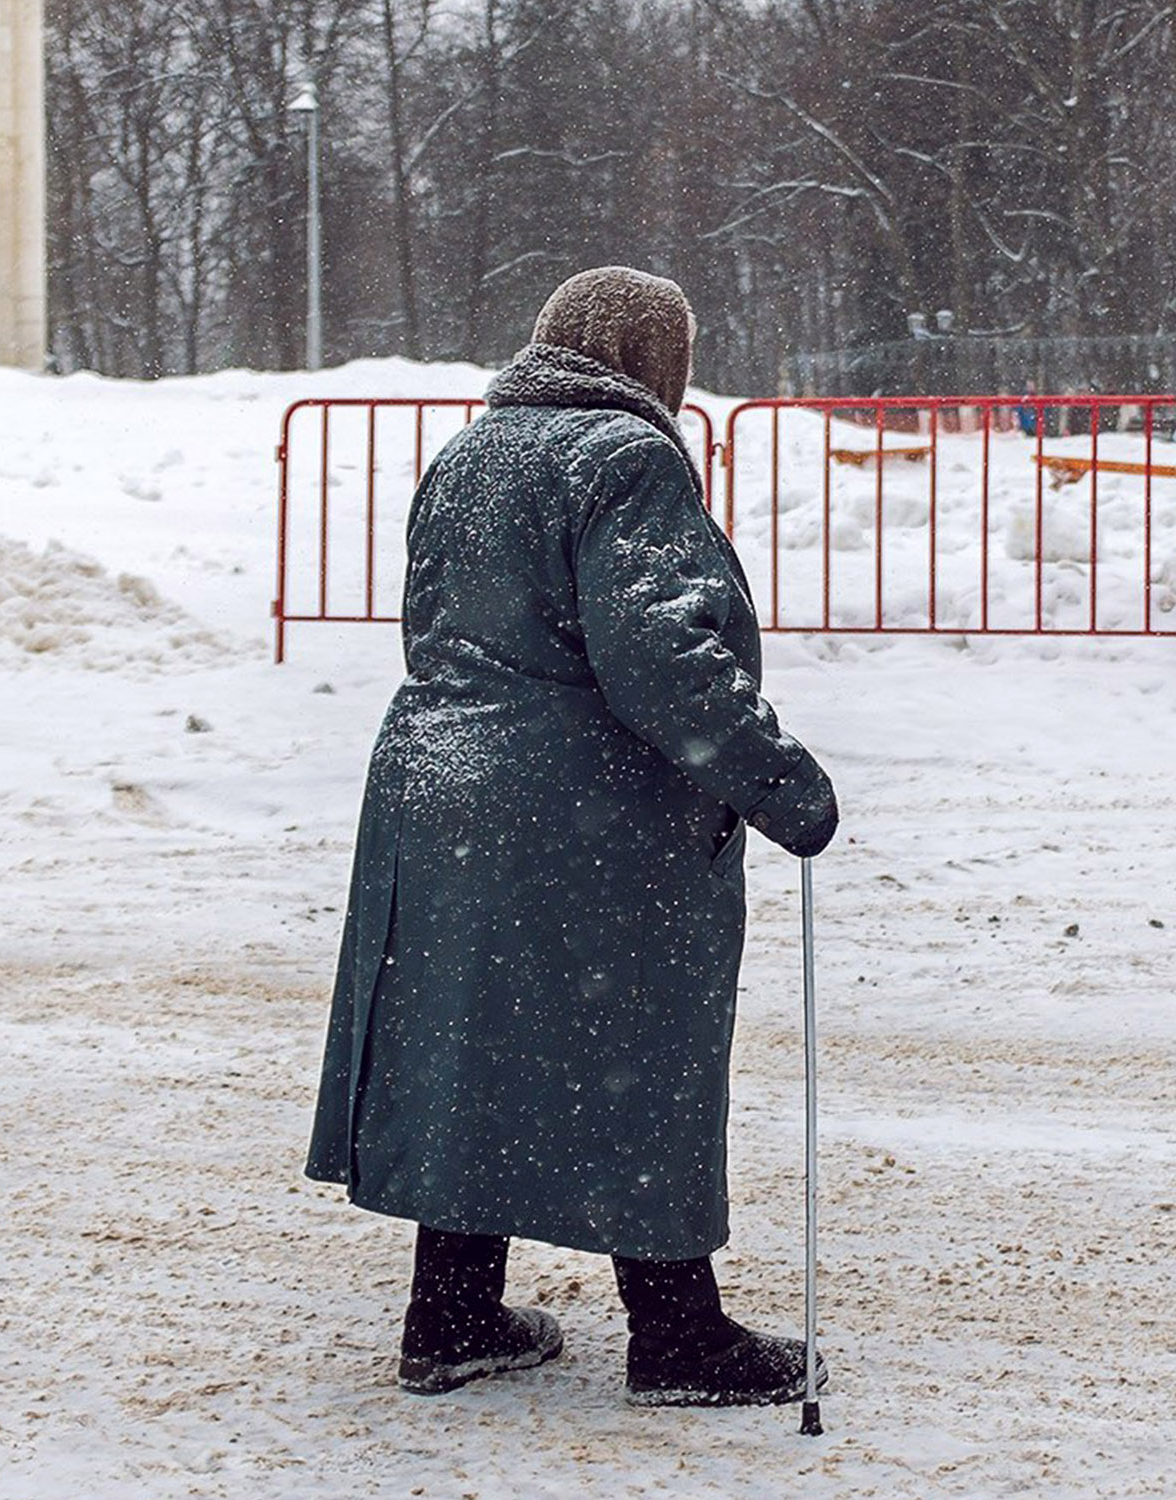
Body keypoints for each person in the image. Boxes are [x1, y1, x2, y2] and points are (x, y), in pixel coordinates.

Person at [304, 266, 840, 1408]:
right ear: (660, 367)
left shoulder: (470, 455)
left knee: (474, 1050)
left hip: (439, 791)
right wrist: (778, 783)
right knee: (629, 1048)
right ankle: (677, 1336)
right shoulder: (624, 460)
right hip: (581, 809)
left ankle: (449, 1318)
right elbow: (661, 657)